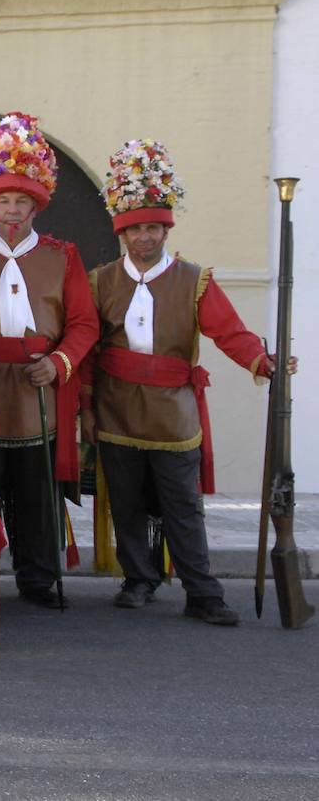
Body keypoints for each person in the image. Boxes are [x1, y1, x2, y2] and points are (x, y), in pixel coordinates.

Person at [84, 139, 298, 626]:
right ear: (123, 232)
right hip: (116, 410)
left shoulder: (195, 280)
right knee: (128, 503)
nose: (144, 237)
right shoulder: (99, 282)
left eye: (153, 228)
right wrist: (88, 411)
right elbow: (90, 350)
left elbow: (231, 333)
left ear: (166, 229)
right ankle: (139, 579)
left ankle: (202, 591)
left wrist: (264, 362)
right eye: (135, 228)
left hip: (174, 412)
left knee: (183, 507)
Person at [0, 112, 97, 608]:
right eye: (3, 200)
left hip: (41, 386)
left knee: (37, 491)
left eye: (22, 200)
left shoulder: (63, 257)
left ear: (36, 204)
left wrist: (60, 363)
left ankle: (37, 577)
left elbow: (84, 323)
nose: (12, 210)